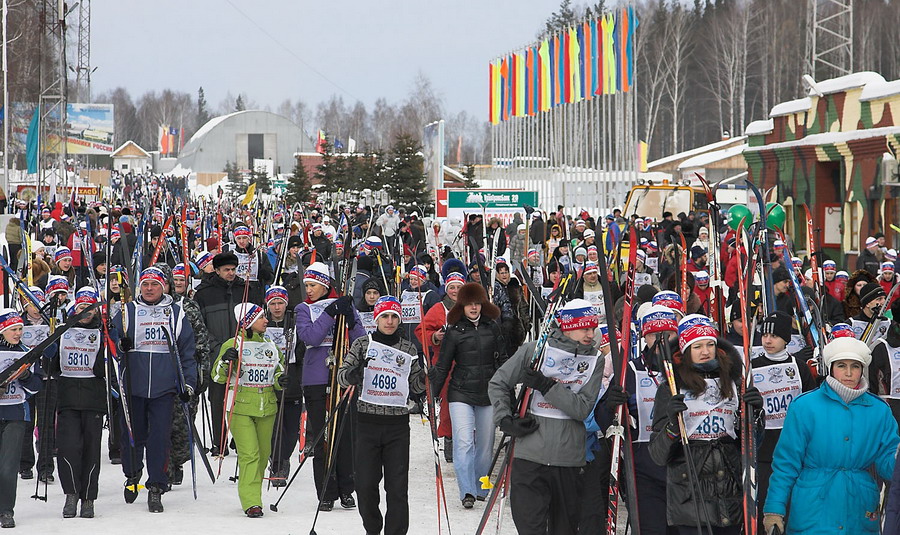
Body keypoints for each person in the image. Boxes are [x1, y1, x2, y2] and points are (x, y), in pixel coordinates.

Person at [488, 298, 607, 534]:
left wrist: (547, 386)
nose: (590, 334)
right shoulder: (535, 350)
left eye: (593, 328)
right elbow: (498, 383)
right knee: (530, 528)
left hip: (569, 461)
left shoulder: (595, 360)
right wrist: (506, 420)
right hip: (530, 456)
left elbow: (582, 409)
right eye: (585, 328)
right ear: (568, 327)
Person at [763, 337, 899, 534]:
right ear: (831, 368)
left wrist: (896, 458)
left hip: (859, 506)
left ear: (863, 369)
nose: (849, 373)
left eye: (855, 366)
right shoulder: (805, 406)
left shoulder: (879, 410)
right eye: (842, 365)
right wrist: (774, 509)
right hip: (812, 505)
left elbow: (888, 462)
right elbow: (786, 463)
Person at [649, 314, 763, 534]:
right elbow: (658, 455)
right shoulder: (671, 388)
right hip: (690, 495)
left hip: (730, 493)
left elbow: (751, 443)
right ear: (685, 351)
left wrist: (756, 414)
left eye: (710, 344)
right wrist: (672, 426)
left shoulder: (733, 382)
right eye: (697, 346)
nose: (705, 351)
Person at [111, 266, 197, 513]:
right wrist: (120, 344)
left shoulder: (176, 313)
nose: (149, 289)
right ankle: (132, 474)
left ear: (164, 287)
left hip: (164, 387)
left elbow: (187, 353)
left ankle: (157, 487)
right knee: (132, 436)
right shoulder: (128, 312)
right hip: (133, 385)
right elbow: (110, 345)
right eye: (145, 285)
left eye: (155, 285)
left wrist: (187, 384)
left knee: (160, 438)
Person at [338, 296, 425, 535]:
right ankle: (373, 529)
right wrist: (353, 374)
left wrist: (429, 377)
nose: (389, 321)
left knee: (397, 488)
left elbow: (417, 387)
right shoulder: (362, 345)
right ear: (376, 319)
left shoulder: (408, 348)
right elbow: (341, 376)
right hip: (367, 423)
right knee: (365, 485)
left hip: (397, 425)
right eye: (384, 316)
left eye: (394, 317)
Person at [295, 261, 365, 511]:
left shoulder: (345, 305)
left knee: (345, 435)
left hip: (342, 377)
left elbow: (361, 341)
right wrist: (330, 313)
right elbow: (311, 337)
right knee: (323, 436)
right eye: (306, 285)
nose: (309, 290)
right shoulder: (303, 309)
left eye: (313, 285)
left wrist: (351, 320)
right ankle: (325, 489)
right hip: (315, 379)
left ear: (324, 285)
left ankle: (347, 488)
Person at [431, 282, 507, 508]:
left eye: (477, 303)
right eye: (469, 304)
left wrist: (507, 390)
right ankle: (467, 491)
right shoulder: (454, 331)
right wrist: (432, 393)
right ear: (461, 306)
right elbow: (443, 365)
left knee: (485, 446)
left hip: (488, 394)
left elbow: (502, 361)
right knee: (464, 443)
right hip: (460, 393)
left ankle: (481, 485)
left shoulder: (493, 327)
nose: (473, 308)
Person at [212, 303, 286, 517]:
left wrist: (283, 380)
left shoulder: (271, 344)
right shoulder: (233, 343)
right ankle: (252, 501)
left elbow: (278, 372)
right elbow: (217, 376)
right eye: (261, 317)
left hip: (267, 406)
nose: (266, 320)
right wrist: (227, 360)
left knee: (263, 455)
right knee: (250, 454)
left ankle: (252, 492)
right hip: (240, 407)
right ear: (247, 322)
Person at [750, 311, 816, 525]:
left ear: (786, 338)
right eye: (764, 335)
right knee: (766, 507)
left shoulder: (798, 367)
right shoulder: (752, 367)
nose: (768, 340)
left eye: (775, 336)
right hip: (763, 449)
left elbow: (811, 405)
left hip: (794, 446)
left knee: (792, 507)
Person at [51, 287, 106, 519]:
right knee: (68, 447)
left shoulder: (103, 333)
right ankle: (71, 494)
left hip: (93, 399)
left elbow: (107, 369)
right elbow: (52, 368)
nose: (86, 312)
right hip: (68, 398)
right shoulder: (62, 331)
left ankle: (89, 498)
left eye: (90, 308)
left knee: (91, 450)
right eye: (82, 308)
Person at [193, 251, 245, 457]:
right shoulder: (203, 293)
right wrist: (217, 348)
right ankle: (219, 441)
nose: (231, 273)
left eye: (233, 269)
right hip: (217, 354)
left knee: (241, 398)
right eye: (226, 270)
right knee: (217, 399)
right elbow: (200, 326)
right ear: (216, 270)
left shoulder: (245, 289)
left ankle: (239, 438)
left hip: (243, 353)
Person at [415, 270, 466, 463]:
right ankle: (450, 440)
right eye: (451, 287)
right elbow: (422, 330)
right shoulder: (439, 308)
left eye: (458, 287)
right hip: (444, 363)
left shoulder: (471, 307)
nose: (454, 291)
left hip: (468, 363)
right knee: (447, 405)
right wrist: (435, 337)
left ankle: (468, 440)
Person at [0, 308, 42, 528]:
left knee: (8, 466)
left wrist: (26, 376)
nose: (17, 333)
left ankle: (6, 510)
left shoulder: (27, 351)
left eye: (19, 329)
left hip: (16, 413)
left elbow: (37, 387)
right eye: (13, 329)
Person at [264, 285, 304, 487]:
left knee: (290, 429)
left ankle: (284, 457)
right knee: (272, 427)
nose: (277, 307)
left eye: (280, 303)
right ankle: (277, 463)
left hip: (292, 383)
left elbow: (302, 352)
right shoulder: (263, 323)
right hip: (269, 383)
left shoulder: (295, 323)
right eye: (273, 303)